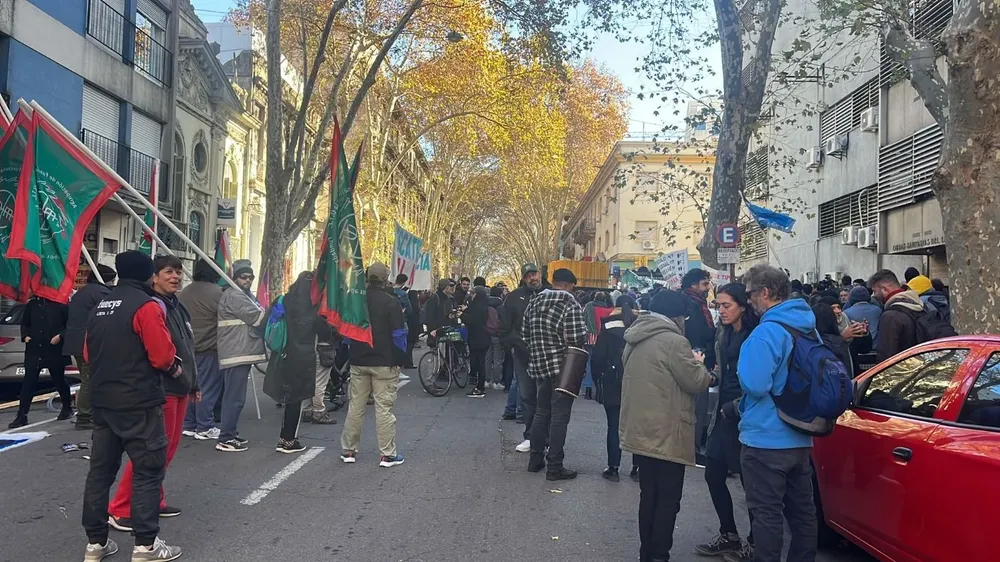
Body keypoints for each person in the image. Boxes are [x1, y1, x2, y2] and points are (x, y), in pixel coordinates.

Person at [81, 250, 182, 562]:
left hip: (104, 403)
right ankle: (146, 546)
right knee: (148, 473)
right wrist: (177, 369)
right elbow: (162, 356)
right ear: (148, 275)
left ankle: (96, 544)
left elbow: (87, 353)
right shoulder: (147, 306)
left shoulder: (100, 306)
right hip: (140, 402)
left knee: (100, 474)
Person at [620, 290, 715, 562]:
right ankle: (660, 554)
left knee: (648, 494)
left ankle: (646, 552)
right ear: (676, 316)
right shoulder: (675, 341)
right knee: (668, 499)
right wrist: (702, 367)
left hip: (640, 429)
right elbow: (696, 381)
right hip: (667, 431)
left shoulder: (635, 337)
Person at [108, 254, 197, 531]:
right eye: (169, 272)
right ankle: (121, 507)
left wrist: (193, 384)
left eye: (179, 272)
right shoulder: (150, 305)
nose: (176, 277)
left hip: (181, 386)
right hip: (163, 387)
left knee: (167, 449)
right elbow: (158, 353)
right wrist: (177, 376)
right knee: (151, 452)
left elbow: (186, 347)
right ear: (154, 277)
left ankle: (153, 499)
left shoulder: (177, 306)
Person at [736, 265, 817, 562]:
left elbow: (755, 384)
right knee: (803, 514)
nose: (748, 301)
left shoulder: (767, 332)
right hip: (800, 434)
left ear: (765, 293)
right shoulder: (807, 325)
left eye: (750, 294)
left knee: (767, 514)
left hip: (765, 438)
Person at [695, 284, 758, 559]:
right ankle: (729, 534)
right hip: (723, 412)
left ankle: (756, 543)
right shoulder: (722, 333)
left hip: (747, 414)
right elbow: (723, 369)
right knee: (713, 474)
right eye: (718, 305)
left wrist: (738, 403)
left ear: (743, 305)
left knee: (751, 482)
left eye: (726, 306)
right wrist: (710, 374)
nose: (721, 311)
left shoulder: (755, 335)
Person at [522, 268, 588, 481]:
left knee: (541, 413)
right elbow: (578, 337)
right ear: (570, 285)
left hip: (540, 366)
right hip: (564, 369)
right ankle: (555, 467)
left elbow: (525, 334)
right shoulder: (570, 303)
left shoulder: (533, 302)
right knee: (560, 416)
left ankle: (535, 459)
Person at [340, 263, 407, 467]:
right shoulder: (391, 302)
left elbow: (347, 332)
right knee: (384, 408)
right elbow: (398, 334)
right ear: (386, 278)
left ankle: (348, 450)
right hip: (384, 361)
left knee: (356, 406)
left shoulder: (356, 301)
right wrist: (400, 359)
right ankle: (387, 454)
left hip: (359, 359)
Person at [263, 271, 321, 453]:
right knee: (296, 398)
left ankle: (284, 437)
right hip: (303, 356)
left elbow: (265, 322)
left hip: (282, 353)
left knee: (287, 397)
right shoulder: (314, 307)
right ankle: (288, 439)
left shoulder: (283, 300)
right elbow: (326, 331)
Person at [215, 260, 267, 452]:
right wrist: (274, 311)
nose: (248, 280)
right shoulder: (236, 296)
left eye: (250, 277)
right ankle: (226, 437)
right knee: (234, 398)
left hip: (238, 351)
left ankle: (230, 433)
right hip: (236, 352)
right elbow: (257, 318)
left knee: (235, 397)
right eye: (243, 277)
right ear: (235, 278)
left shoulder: (240, 295)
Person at [64, 264, 116, 431]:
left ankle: (87, 413)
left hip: (75, 343)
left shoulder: (82, 292)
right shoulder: (101, 294)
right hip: (89, 343)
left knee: (86, 378)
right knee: (90, 380)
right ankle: (84, 416)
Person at [179, 260, 225, 441]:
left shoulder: (185, 292)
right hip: (208, 346)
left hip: (186, 347)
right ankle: (205, 425)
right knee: (207, 388)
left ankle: (189, 423)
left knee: (191, 387)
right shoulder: (217, 293)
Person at [9, 296, 71, 428]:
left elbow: (70, 324)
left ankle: (67, 407)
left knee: (58, 379)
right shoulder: (32, 304)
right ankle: (22, 415)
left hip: (53, 348)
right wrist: (25, 336)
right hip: (34, 349)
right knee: (28, 383)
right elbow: (25, 323)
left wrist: (60, 336)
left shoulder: (61, 303)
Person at [500, 263, 543, 452]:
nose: (533, 278)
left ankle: (547, 436)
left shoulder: (549, 294)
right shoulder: (514, 298)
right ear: (524, 278)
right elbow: (505, 328)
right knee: (527, 396)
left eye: (535, 274)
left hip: (547, 355)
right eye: (528, 275)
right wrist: (515, 346)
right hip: (523, 355)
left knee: (546, 396)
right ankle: (530, 435)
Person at [590, 300, 633, 482]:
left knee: (613, 426)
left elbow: (597, 359)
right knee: (636, 427)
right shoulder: (639, 331)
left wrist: (597, 379)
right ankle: (637, 468)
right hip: (636, 385)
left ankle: (613, 467)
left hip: (612, 383)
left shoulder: (607, 332)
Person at [680, 269, 717, 463]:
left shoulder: (696, 303)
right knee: (697, 407)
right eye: (704, 284)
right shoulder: (693, 305)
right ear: (693, 284)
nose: (707, 288)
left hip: (695, 358)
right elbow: (698, 333)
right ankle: (692, 448)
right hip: (696, 359)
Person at [869, 269, 926, 362]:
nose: (874, 295)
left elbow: (886, 358)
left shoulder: (890, 317)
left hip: (903, 372)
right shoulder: (920, 306)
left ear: (884, 289)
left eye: (874, 291)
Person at [582, 291, 614, 400]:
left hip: (590, 339)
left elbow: (583, 321)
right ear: (605, 299)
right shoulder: (609, 310)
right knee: (604, 364)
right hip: (604, 339)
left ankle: (588, 390)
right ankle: (600, 389)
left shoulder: (589, 307)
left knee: (589, 364)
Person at [461, 286, 491, 397]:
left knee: (479, 363)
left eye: (473, 294)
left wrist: (462, 315)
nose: (471, 296)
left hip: (478, 338)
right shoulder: (482, 304)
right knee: (480, 362)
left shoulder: (479, 306)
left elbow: (473, 320)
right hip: (483, 337)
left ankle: (480, 388)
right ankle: (479, 386)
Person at [393, 274, 415, 372]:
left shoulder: (389, 291)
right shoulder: (403, 294)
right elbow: (409, 309)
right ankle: (400, 364)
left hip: (389, 321)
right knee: (402, 343)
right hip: (401, 321)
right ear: (403, 282)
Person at [486, 286, 506, 391]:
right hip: (497, 334)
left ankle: (487, 380)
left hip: (487, 333)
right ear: (500, 294)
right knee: (497, 358)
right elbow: (503, 321)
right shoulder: (501, 306)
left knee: (488, 357)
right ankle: (496, 381)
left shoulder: (486, 304)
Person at [406, 290, 422, 369]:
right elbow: (419, 310)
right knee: (410, 345)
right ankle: (409, 362)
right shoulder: (415, 304)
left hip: (408, 325)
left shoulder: (408, 303)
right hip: (413, 327)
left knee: (407, 345)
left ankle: (407, 361)